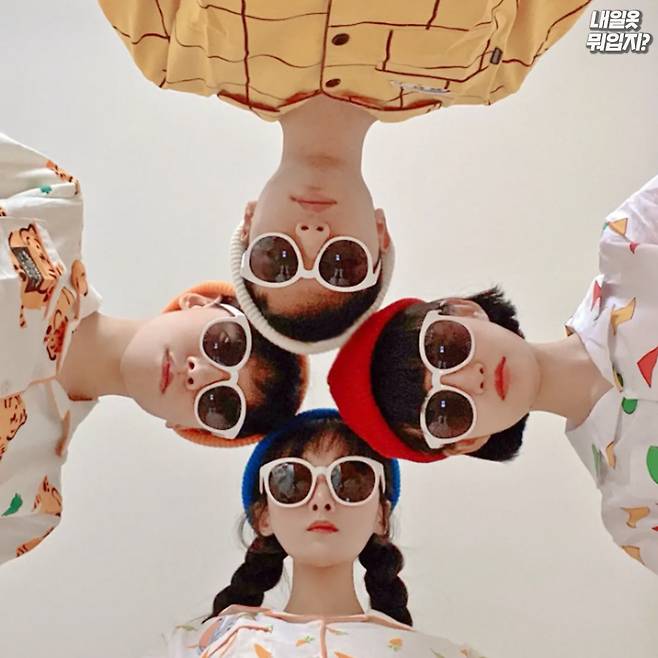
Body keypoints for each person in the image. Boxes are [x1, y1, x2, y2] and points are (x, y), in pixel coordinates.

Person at [98, 0, 591, 353]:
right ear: (380, 235)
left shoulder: (171, 53)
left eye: (277, 259)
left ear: (248, 225)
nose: (312, 233)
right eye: (341, 264)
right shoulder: (491, 71)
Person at [0, 134, 307, 564]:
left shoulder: (30, 505)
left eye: (219, 405)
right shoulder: (51, 205)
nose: (200, 374)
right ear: (200, 301)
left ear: (186, 428)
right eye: (225, 344)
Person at [329, 175, 658, 573]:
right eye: (446, 411)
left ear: (463, 310)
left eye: (445, 347)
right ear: (466, 442)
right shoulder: (635, 515)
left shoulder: (634, 240)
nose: (472, 379)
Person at [143, 409, 485, 657]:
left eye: (350, 480)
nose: (322, 500)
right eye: (292, 480)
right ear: (264, 517)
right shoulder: (197, 648)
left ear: (381, 515)